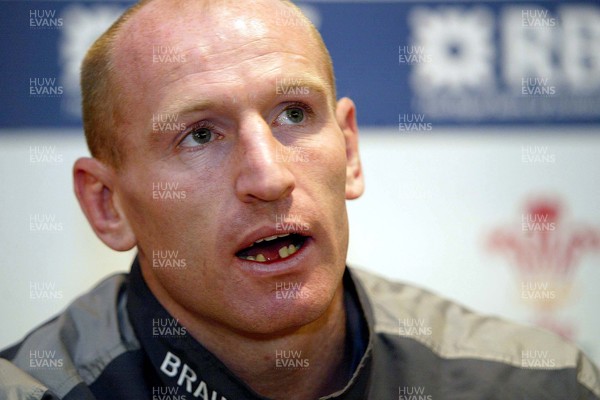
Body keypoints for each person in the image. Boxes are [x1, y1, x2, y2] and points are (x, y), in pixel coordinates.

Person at [1, 0, 599, 399]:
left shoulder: (528, 381)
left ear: (350, 151)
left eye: (293, 114)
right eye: (200, 135)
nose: (268, 176)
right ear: (108, 205)